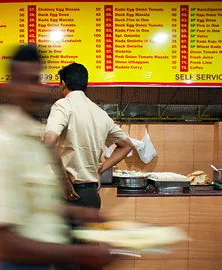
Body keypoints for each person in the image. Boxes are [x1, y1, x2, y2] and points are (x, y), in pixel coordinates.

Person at [0, 45, 116, 270]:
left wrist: (76, 211)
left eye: (37, 80)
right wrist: (81, 253)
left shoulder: (31, 138)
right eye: (26, 81)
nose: (36, 90)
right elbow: (4, 244)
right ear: (9, 87)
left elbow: (33, 204)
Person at [43, 63, 133, 270]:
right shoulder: (99, 113)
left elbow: (48, 142)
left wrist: (63, 180)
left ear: (63, 83)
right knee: (89, 256)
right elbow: (126, 146)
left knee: (66, 258)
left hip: (67, 194)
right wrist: (99, 169)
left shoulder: (63, 106)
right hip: (91, 195)